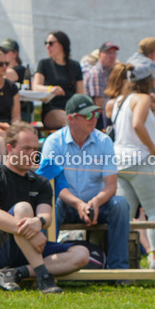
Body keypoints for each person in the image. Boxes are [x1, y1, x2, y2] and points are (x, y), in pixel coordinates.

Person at [0, 122, 91, 293]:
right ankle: (43, 276)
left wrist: (38, 223)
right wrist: (32, 230)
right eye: (26, 149)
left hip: (32, 246)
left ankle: (16, 273)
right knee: (23, 208)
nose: (32, 154)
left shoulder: (41, 182)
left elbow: (46, 217)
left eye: (34, 149)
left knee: (82, 253)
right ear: (10, 148)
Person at [40, 94, 130, 270]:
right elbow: (50, 185)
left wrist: (96, 202)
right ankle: (48, 266)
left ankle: (119, 270)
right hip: (65, 203)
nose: (94, 119)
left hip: (97, 204)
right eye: (88, 115)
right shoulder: (53, 142)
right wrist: (79, 204)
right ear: (71, 118)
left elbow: (111, 185)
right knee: (52, 205)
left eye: (95, 114)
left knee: (121, 204)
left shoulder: (104, 141)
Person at [106, 63, 155, 268]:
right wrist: (153, 149)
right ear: (148, 81)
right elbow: (137, 125)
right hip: (140, 160)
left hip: (119, 161)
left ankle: (118, 260)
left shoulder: (119, 101)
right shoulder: (142, 98)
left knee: (125, 214)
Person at [34, 31, 84, 129]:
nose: (47, 46)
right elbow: (35, 86)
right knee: (70, 121)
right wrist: (50, 89)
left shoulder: (75, 66)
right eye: (46, 43)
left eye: (51, 43)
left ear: (62, 45)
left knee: (86, 120)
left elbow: (80, 94)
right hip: (52, 109)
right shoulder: (44, 64)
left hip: (73, 108)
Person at [83, 42, 119, 114]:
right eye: (108, 53)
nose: (112, 56)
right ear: (99, 55)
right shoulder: (97, 73)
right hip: (95, 116)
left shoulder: (109, 71)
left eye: (114, 53)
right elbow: (100, 104)